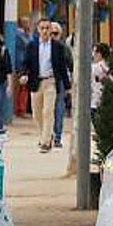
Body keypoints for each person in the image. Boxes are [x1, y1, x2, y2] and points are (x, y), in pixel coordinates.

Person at [21, 19, 71, 152]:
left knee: (48, 112)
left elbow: (62, 67)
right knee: (36, 114)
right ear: (38, 30)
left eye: (47, 28)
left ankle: (45, 142)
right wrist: (24, 74)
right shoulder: (31, 46)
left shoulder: (58, 47)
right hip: (36, 82)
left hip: (51, 82)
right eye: (42, 28)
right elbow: (25, 63)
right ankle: (48, 134)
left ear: (50, 30)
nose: (44, 31)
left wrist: (67, 86)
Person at [50, 22, 73, 148]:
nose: (53, 36)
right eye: (51, 33)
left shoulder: (64, 48)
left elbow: (70, 66)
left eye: (56, 33)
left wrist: (69, 86)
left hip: (59, 82)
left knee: (58, 109)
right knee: (47, 110)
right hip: (45, 82)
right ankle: (47, 135)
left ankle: (57, 137)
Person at [91, 43, 110, 116]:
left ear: (99, 54)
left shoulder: (95, 67)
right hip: (104, 100)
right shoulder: (106, 66)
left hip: (94, 101)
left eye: (94, 52)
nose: (93, 55)